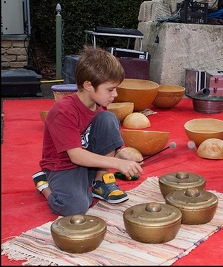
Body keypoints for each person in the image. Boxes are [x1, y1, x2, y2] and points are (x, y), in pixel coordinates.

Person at [32, 46, 144, 216]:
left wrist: (124, 158)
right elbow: (76, 156)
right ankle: (43, 184)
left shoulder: (100, 108)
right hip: (62, 166)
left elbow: (106, 143)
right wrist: (117, 163)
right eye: (110, 89)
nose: (115, 94)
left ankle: (99, 182)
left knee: (109, 119)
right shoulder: (64, 110)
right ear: (88, 85)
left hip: (89, 163)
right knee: (75, 207)